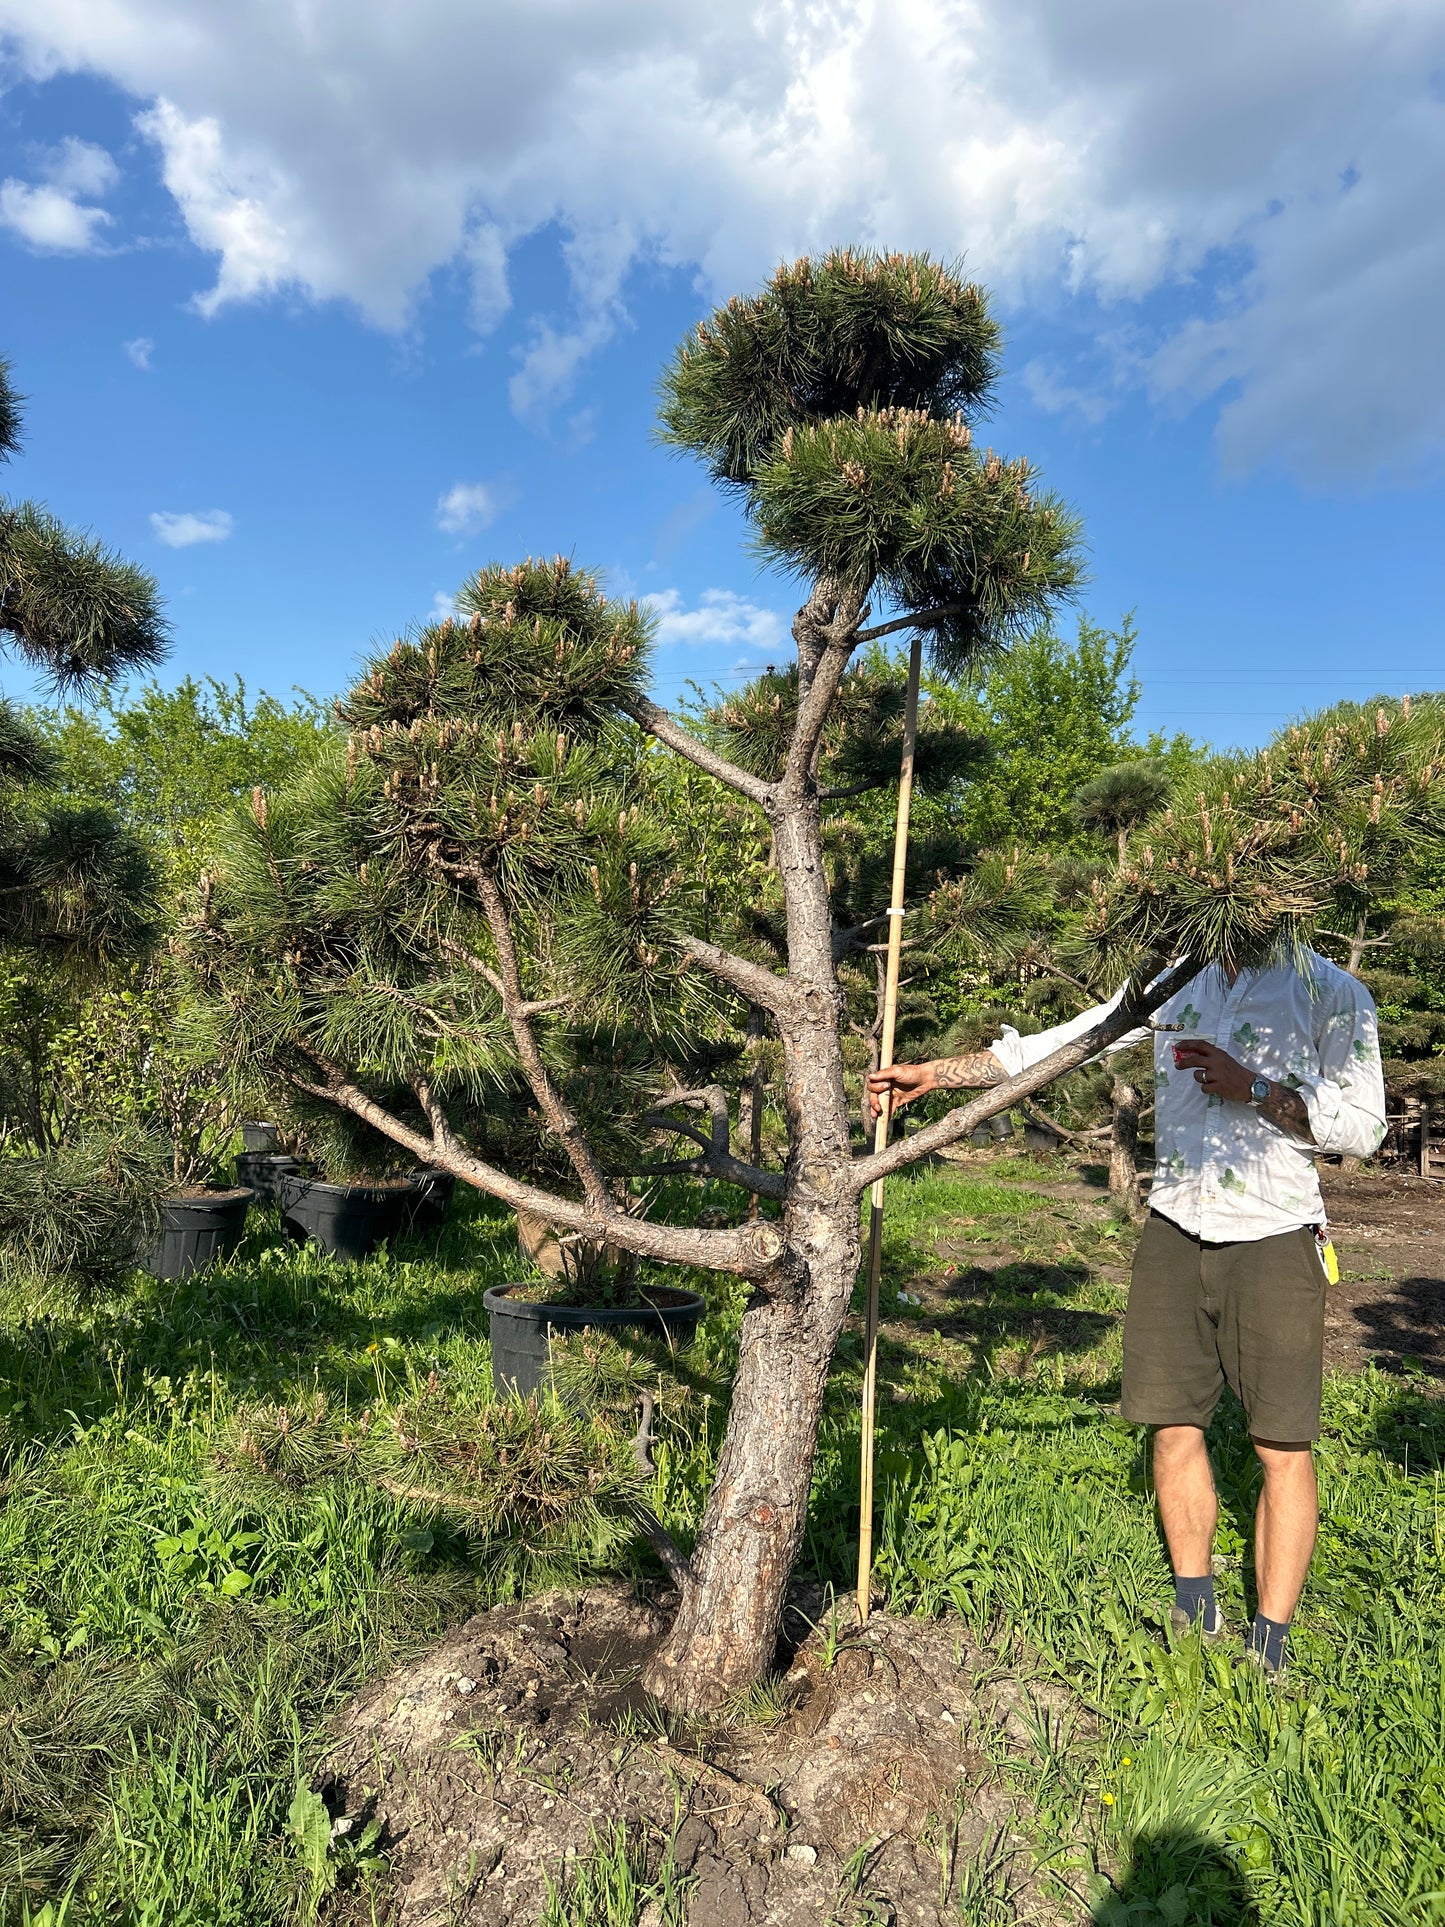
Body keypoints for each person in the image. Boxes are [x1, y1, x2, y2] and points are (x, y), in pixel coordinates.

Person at [867, 949, 1386, 1676]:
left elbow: (1365, 1128)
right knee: (1172, 1426)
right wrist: (935, 1073)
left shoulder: (1330, 991)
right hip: (1173, 1226)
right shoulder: (1176, 977)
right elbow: (1072, 1039)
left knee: (1280, 1445)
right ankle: (1193, 1605)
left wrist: (1256, 1086)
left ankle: (1267, 1643)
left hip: (1273, 1234)